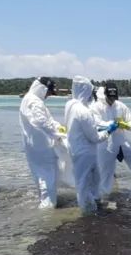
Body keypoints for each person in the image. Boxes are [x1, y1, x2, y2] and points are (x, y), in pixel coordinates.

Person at [65, 77, 119, 213]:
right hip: (85, 152)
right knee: (83, 184)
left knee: (95, 179)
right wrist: (109, 131)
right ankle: (88, 213)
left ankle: (96, 203)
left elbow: (84, 127)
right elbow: (95, 138)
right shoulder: (84, 111)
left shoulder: (70, 105)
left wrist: (101, 127)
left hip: (78, 150)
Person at [92, 81, 131, 196]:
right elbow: (96, 123)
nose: (112, 100)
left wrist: (127, 125)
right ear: (105, 95)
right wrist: (111, 124)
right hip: (106, 143)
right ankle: (104, 197)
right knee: (106, 172)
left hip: (122, 140)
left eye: (114, 97)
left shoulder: (120, 105)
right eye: (110, 97)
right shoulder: (96, 107)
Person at [19, 76, 67, 209]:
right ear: (42, 89)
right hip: (42, 148)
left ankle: (43, 202)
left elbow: (47, 120)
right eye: (49, 92)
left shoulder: (29, 99)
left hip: (33, 147)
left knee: (41, 177)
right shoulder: (35, 102)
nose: (50, 95)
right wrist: (57, 135)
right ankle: (48, 211)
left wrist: (58, 126)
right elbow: (41, 122)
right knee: (48, 179)